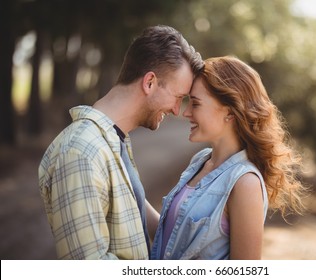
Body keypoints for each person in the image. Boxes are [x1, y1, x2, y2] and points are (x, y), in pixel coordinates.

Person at [38, 25, 204, 260]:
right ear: (149, 83)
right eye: (178, 98)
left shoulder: (114, 141)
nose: (178, 110)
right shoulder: (81, 152)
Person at [151, 56, 306, 260]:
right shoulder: (200, 161)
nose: (185, 112)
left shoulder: (245, 183)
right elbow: (170, 238)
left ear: (230, 113)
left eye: (195, 104)